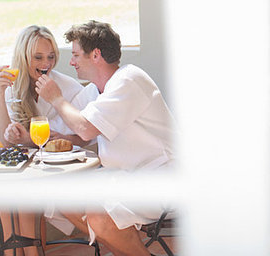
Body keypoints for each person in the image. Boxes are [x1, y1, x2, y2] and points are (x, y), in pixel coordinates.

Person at [35, 20, 175, 256]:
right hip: (123, 178)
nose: (71, 62)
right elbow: (77, 131)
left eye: (77, 55)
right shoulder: (95, 90)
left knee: (98, 211)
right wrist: (32, 138)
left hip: (160, 177)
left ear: (96, 55)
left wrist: (56, 98)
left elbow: (86, 128)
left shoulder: (129, 80)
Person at [0, 25, 99, 256]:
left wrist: (28, 139)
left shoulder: (66, 87)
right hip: (26, 169)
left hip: (61, 170)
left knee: (22, 194)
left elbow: (82, 137)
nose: (46, 63)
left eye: (51, 56)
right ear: (23, 56)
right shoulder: (10, 84)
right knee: (8, 195)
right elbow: (0, 140)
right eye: (38, 57)